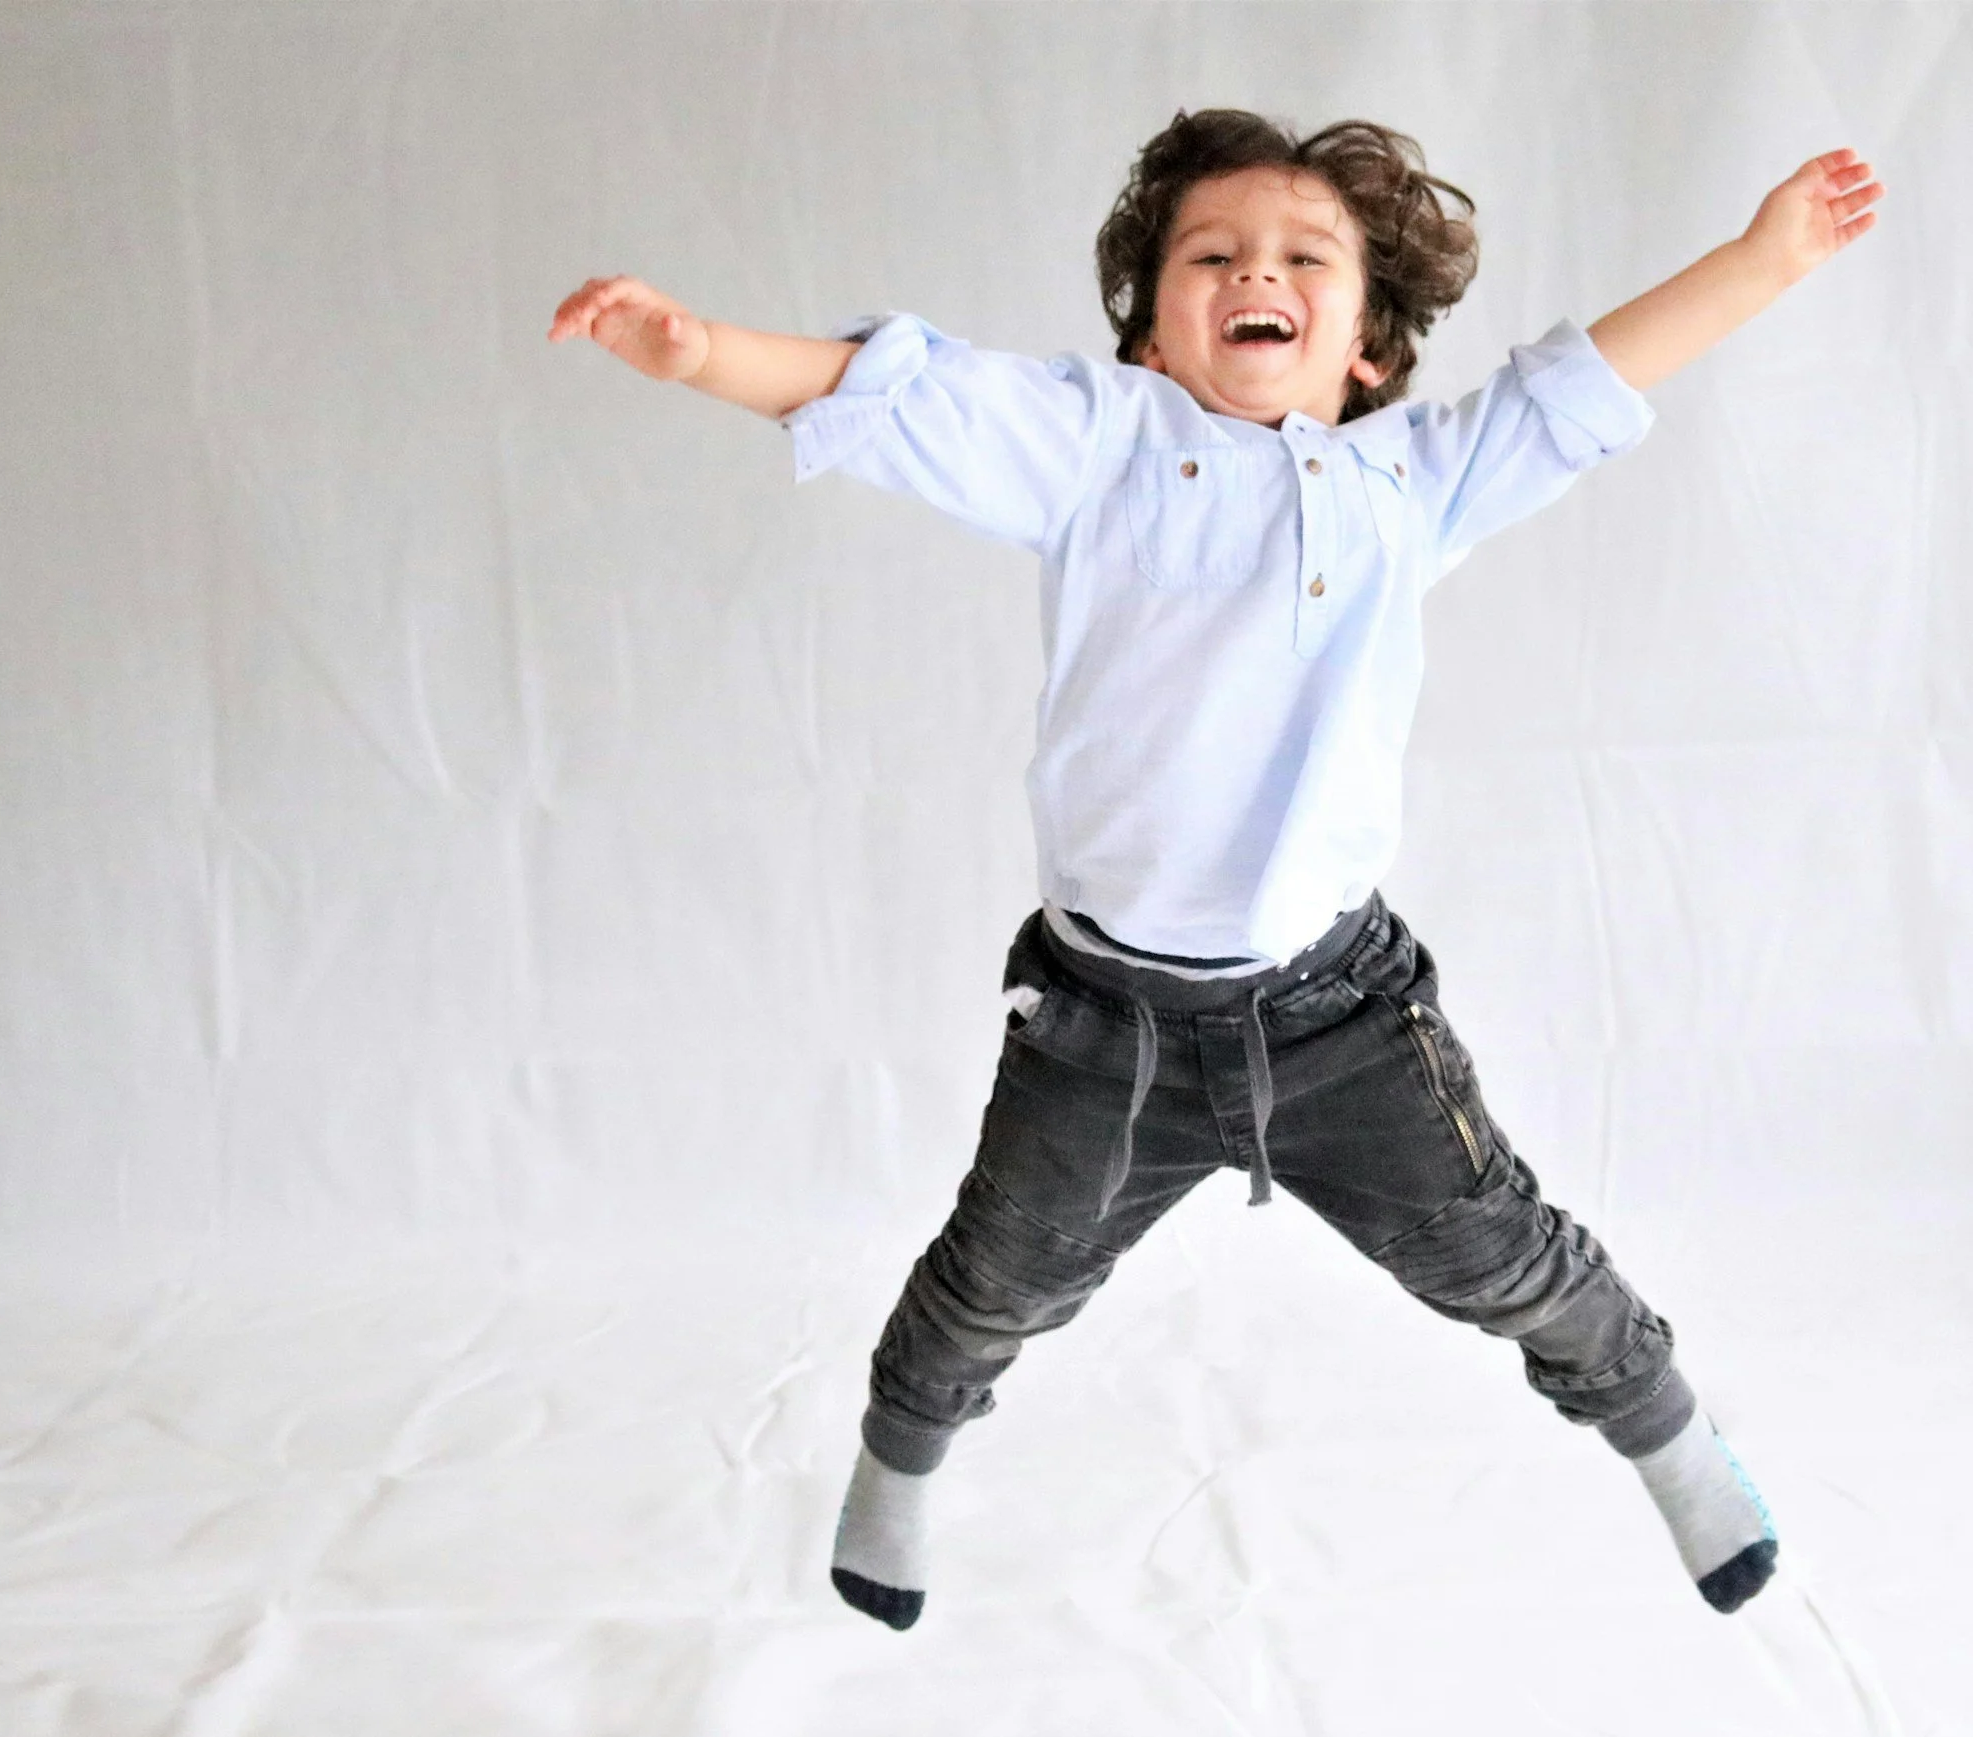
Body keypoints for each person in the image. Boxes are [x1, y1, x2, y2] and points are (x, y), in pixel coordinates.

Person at [548, 109, 1882, 1632]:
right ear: (1151, 332)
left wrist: (1764, 257)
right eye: (1214, 255)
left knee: (1504, 1253)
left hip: (1339, 1020)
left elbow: (1584, 385)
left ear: (1367, 345)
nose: (1259, 272)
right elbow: (889, 394)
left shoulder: (1413, 481)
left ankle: (1685, 1455)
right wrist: (699, 349)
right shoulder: (1098, 446)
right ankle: (895, 1476)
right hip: (1100, 1026)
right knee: (997, 1284)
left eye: (1306, 259)